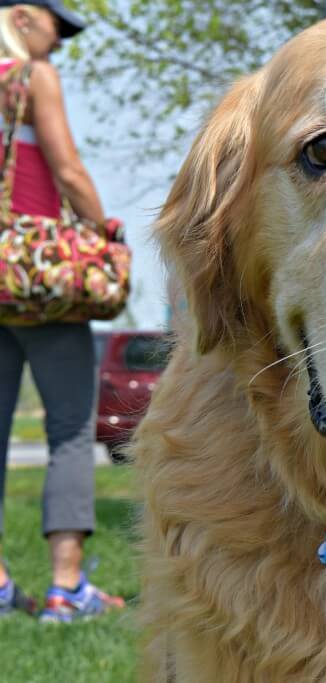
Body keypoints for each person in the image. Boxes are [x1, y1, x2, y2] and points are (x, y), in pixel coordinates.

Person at [0, 1, 123, 621]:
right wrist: (106, 233)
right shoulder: (32, 76)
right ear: (22, 17)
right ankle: (66, 588)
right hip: (40, 279)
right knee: (70, 429)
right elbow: (68, 171)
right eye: (56, 29)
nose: (61, 45)